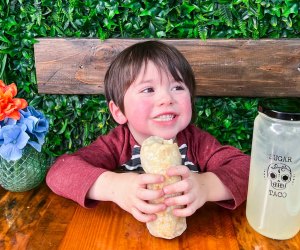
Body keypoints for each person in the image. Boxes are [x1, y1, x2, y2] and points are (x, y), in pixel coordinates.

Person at [46, 40, 250, 223]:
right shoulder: (118, 144)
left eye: (177, 87)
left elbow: (249, 169)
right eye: (148, 90)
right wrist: (115, 187)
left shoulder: (196, 142)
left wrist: (205, 187)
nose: (167, 98)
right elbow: (60, 172)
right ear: (118, 111)